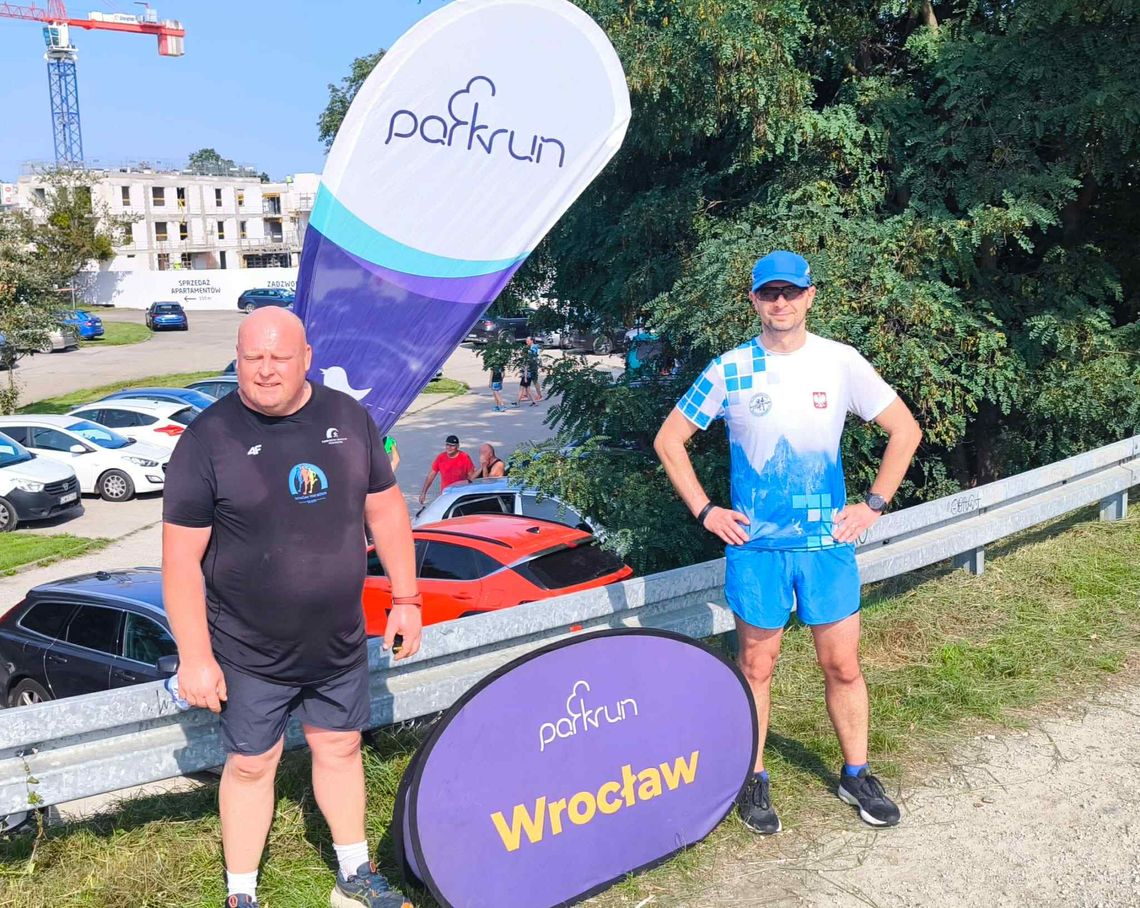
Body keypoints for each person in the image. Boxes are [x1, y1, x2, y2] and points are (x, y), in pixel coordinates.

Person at [654, 250, 922, 836]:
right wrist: (705, 511)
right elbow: (669, 441)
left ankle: (856, 773)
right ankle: (752, 777)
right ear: (753, 300)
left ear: (810, 297)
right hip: (757, 549)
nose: (780, 303)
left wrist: (873, 504)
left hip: (827, 547)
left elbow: (906, 430)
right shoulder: (729, 368)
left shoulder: (840, 362)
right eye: (769, 293)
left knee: (843, 665)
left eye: (791, 292)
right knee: (756, 664)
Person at [162, 308, 422, 908]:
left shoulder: (348, 417)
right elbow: (179, 561)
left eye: (280, 357)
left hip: (337, 641)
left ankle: (354, 874)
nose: (266, 371)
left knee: (340, 747)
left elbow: (384, 512)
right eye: (253, 358)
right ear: (237, 358)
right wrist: (195, 657)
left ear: (307, 357)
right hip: (248, 649)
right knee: (253, 766)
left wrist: (406, 598)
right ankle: (242, 895)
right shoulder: (206, 441)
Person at [419, 434, 475, 504]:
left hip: (460, 494)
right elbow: (431, 475)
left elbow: (472, 477)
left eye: (452, 445)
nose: (449, 447)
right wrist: (423, 493)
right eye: (447, 445)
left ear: (457, 446)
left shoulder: (465, 457)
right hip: (446, 494)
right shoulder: (441, 458)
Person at [516, 336, 542, 406]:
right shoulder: (529, 347)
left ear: (532, 341)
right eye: (526, 341)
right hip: (529, 365)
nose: (526, 342)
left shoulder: (534, 347)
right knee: (526, 378)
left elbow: (533, 357)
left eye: (528, 341)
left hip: (533, 365)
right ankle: (525, 394)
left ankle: (539, 395)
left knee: (533, 379)